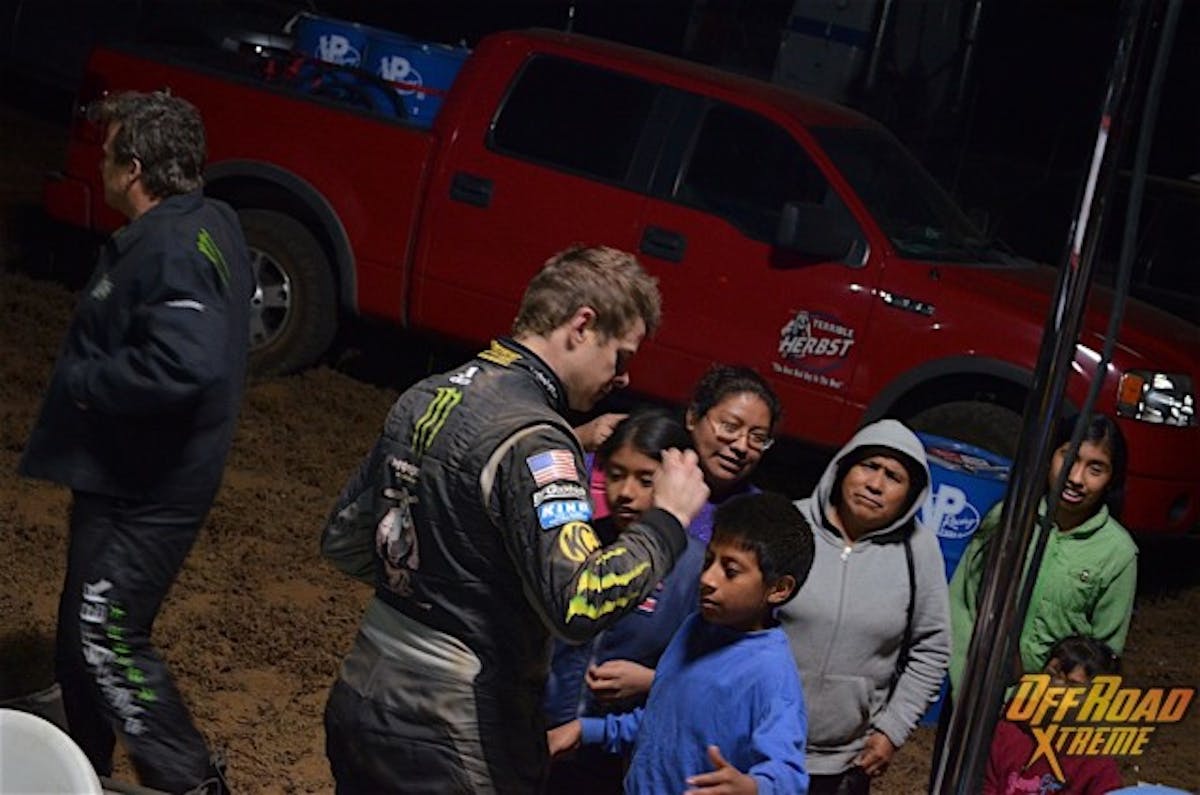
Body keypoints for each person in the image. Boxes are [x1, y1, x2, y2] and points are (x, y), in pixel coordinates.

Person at [320, 245, 709, 794]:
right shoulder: (536, 439)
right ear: (581, 325)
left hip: (362, 691)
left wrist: (434, 587)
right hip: (454, 726)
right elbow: (580, 601)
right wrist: (668, 521)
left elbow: (343, 538)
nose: (622, 378)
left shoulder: (426, 394)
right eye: (620, 357)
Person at [19, 91, 250, 793]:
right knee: (77, 632)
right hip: (125, 476)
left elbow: (189, 360)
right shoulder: (209, 220)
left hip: (150, 489)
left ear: (136, 168)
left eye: (109, 150)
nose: (100, 161)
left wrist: (91, 382)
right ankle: (79, 764)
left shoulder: (174, 245)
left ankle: (187, 780)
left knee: (107, 632)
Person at [548, 492, 814, 794]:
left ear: (779, 589)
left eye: (730, 571)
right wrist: (587, 730)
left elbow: (790, 775)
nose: (708, 579)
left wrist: (752, 787)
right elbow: (664, 720)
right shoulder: (695, 628)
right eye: (709, 561)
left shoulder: (771, 673)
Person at [778, 419, 950, 794]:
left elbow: (932, 648)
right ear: (843, 467)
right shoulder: (790, 524)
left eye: (893, 477)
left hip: (844, 761)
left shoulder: (917, 550)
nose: (875, 484)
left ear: (911, 494)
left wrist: (893, 729)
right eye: (868, 466)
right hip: (759, 742)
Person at [543, 408, 706, 793]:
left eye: (645, 480)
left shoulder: (696, 570)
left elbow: (708, 679)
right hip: (541, 738)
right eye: (615, 475)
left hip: (622, 757)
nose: (625, 493)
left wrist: (652, 681)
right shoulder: (577, 541)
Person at [948, 414, 1138, 694]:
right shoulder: (1007, 519)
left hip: (1047, 716)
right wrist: (964, 685)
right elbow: (962, 606)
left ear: (1112, 479)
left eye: (1095, 469)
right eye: (1068, 458)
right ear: (1049, 457)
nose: (1076, 478)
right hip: (975, 697)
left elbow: (1104, 656)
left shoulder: (1118, 553)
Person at [983, 636, 1123, 794]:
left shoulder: (1097, 764)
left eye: (1072, 685)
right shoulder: (1007, 732)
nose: (1055, 687)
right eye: (1050, 675)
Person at [683, 364, 782, 544]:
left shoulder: (763, 519)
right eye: (730, 427)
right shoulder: (650, 482)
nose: (742, 447)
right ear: (693, 417)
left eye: (758, 438)